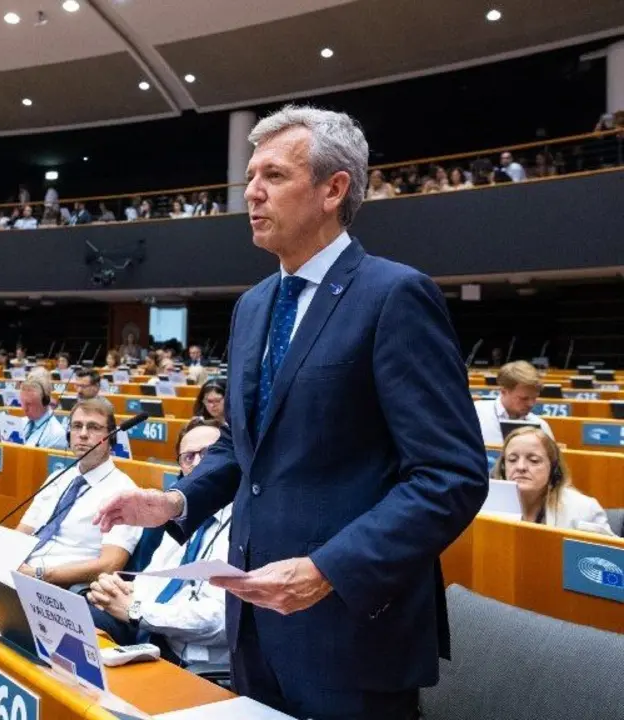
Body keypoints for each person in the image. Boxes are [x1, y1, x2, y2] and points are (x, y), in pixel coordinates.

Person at [93, 105, 487, 719]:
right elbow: (243, 443)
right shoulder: (253, 306)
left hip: (351, 629)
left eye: (274, 175)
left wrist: (328, 569)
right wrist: (178, 501)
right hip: (253, 622)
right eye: (250, 175)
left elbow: (450, 476)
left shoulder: (393, 295)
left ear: (334, 189)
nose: (251, 191)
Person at [88, 418, 232, 670]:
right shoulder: (181, 515)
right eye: (188, 457)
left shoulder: (242, 525)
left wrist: (135, 609)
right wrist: (120, 591)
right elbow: (152, 581)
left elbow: (220, 620)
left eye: (209, 454)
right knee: (69, 620)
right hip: (149, 633)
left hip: (189, 662)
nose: (199, 463)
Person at [16, 399, 141, 587]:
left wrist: (39, 574)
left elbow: (110, 564)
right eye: (76, 426)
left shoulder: (124, 493)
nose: (82, 434)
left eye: (93, 427)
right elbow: (22, 532)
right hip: (21, 573)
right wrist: (8, 558)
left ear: (111, 437)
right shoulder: (57, 477)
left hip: (61, 588)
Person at [492, 426, 616, 536]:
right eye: (512, 460)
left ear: (554, 468)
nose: (521, 467)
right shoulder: (485, 505)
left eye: (534, 460)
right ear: (503, 467)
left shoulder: (585, 510)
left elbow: (612, 558)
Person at [473, 360, 553, 446]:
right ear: (503, 391)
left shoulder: (542, 426)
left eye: (534, 398)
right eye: (524, 398)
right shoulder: (476, 413)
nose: (531, 404)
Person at [18, 378, 67, 450]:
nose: (24, 408)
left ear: (45, 402)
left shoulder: (57, 434)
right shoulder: (20, 422)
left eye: (29, 404)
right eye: (22, 403)